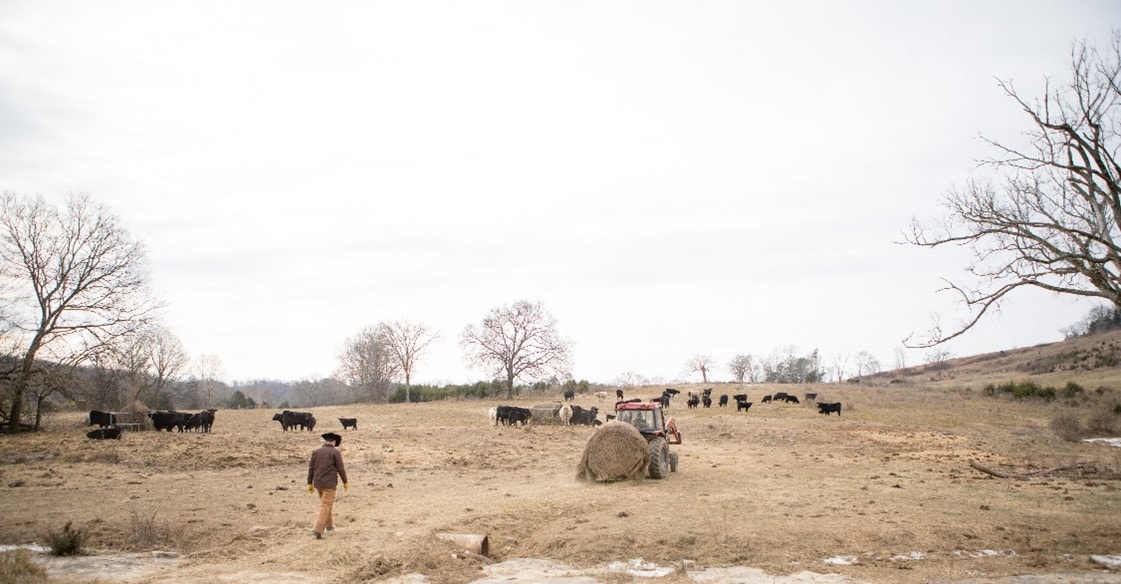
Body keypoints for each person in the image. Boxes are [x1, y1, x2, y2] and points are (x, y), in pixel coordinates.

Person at [307, 431, 348, 539]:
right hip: (329, 484)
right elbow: (341, 469)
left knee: (326, 504)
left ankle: (329, 527)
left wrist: (309, 483)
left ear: (326, 441)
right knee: (325, 506)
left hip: (318, 484)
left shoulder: (316, 451)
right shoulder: (335, 452)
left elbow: (311, 468)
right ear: (334, 442)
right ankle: (317, 531)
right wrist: (345, 482)